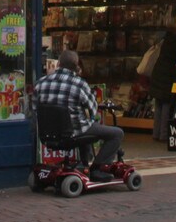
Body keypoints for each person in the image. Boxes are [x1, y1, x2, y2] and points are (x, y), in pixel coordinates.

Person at [32, 49, 122, 180]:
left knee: (84, 128)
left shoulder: (40, 83)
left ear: (58, 64)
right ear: (77, 66)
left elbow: (35, 110)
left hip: (47, 135)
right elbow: (93, 109)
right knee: (116, 133)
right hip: (73, 133)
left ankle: (84, 164)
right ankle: (97, 168)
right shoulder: (79, 84)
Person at [147, 21, 176, 142]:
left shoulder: (165, 40)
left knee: (159, 105)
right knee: (166, 104)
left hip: (158, 74)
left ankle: (156, 133)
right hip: (168, 76)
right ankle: (164, 134)